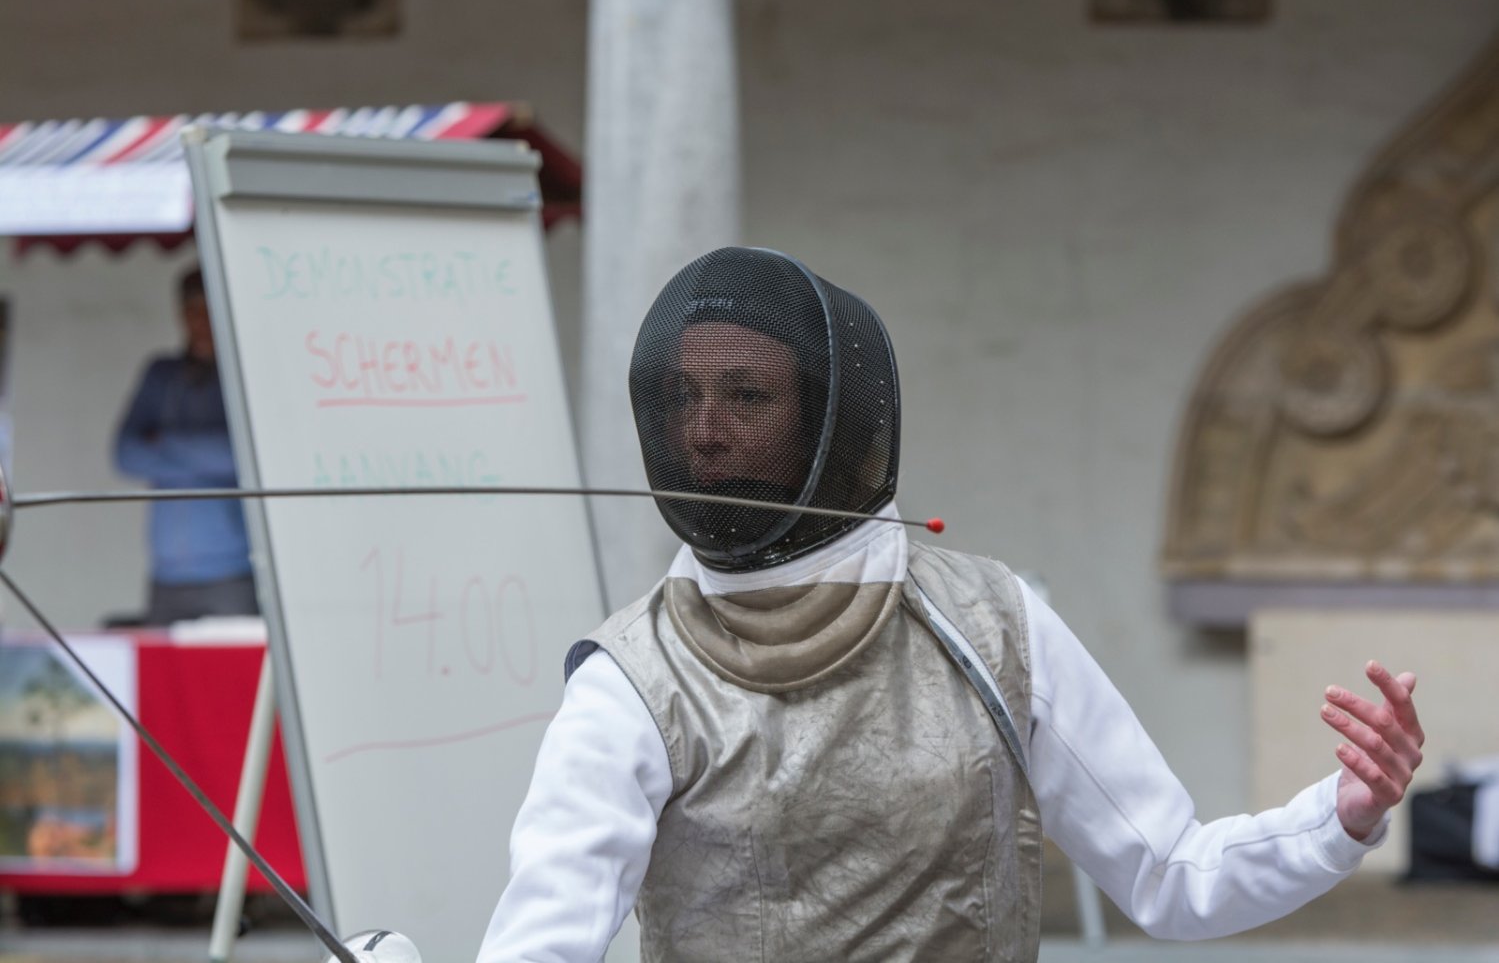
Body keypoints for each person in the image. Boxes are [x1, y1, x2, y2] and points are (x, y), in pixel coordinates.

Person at [477, 247, 1425, 962]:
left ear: (829, 418)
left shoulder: (990, 624)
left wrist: (1338, 816)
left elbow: (1172, 877)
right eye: (684, 395)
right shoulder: (632, 682)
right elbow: (542, 943)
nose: (704, 429)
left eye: (746, 395)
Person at [114, 266, 257, 626]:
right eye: (192, 310)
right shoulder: (161, 373)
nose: (201, 321)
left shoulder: (243, 372)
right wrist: (205, 457)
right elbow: (125, 454)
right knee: (163, 663)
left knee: (235, 663)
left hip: (232, 569)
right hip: (166, 570)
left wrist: (165, 442)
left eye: (208, 309)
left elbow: (243, 455)